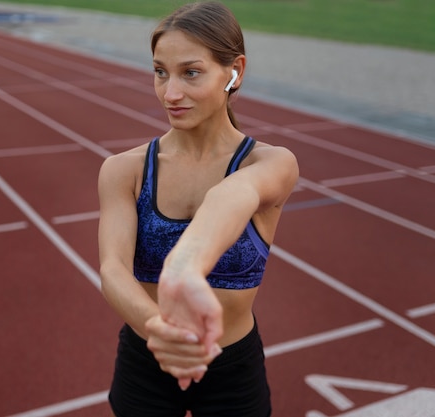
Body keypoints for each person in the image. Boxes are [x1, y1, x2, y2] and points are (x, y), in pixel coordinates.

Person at [97, 1, 299, 416]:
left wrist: (183, 267)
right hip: (145, 359)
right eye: (160, 72)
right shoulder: (124, 170)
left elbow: (231, 196)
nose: (170, 93)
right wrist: (158, 329)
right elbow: (113, 268)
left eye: (190, 72)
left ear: (234, 71)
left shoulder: (270, 163)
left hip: (232, 370)